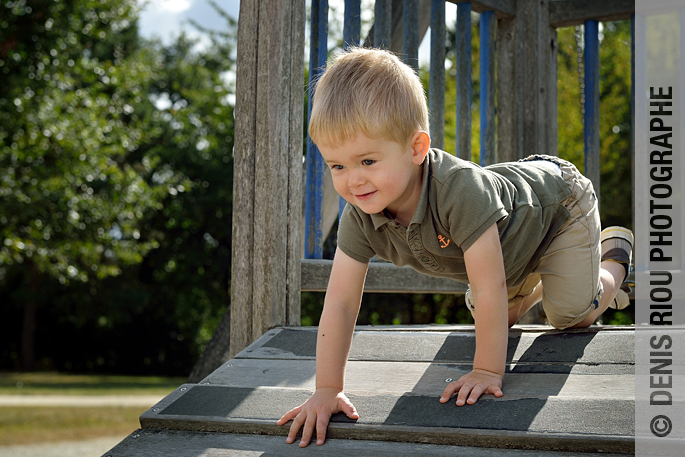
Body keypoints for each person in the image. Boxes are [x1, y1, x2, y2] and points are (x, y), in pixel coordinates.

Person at [277, 47, 634, 447]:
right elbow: (340, 302)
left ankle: (614, 258)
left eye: (367, 161)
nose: (353, 181)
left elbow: (488, 287)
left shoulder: (458, 191)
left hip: (559, 207)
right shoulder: (361, 214)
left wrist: (486, 370)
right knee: (498, 314)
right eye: (337, 166)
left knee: (568, 315)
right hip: (510, 246)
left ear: (416, 148)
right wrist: (326, 389)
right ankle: (542, 277)